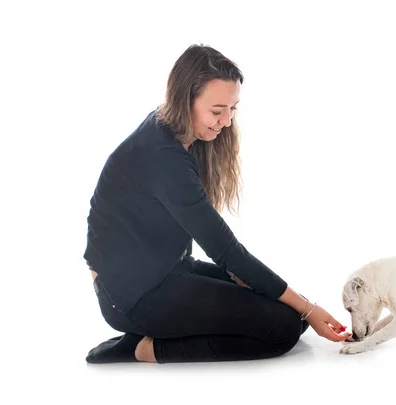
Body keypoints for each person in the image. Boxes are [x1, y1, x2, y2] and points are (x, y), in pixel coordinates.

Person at [84, 44, 351, 364]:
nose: (225, 121)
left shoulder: (171, 129)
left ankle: (158, 336)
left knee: (291, 315)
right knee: (283, 328)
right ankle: (142, 349)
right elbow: (225, 250)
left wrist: (300, 306)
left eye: (233, 109)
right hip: (133, 296)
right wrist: (308, 305)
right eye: (216, 111)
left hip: (168, 271)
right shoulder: (162, 157)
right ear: (186, 100)